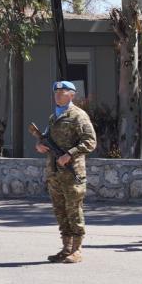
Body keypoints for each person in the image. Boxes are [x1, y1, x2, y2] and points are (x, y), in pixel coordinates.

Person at [36, 80, 97, 263]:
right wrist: (40, 145)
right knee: (60, 211)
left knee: (74, 210)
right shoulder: (53, 117)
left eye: (62, 92)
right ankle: (66, 248)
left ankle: (77, 250)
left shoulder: (78, 115)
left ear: (72, 95)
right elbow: (46, 138)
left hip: (72, 173)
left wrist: (70, 154)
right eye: (56, 92)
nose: (57, 95)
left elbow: (90, 141)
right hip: (54, 172)